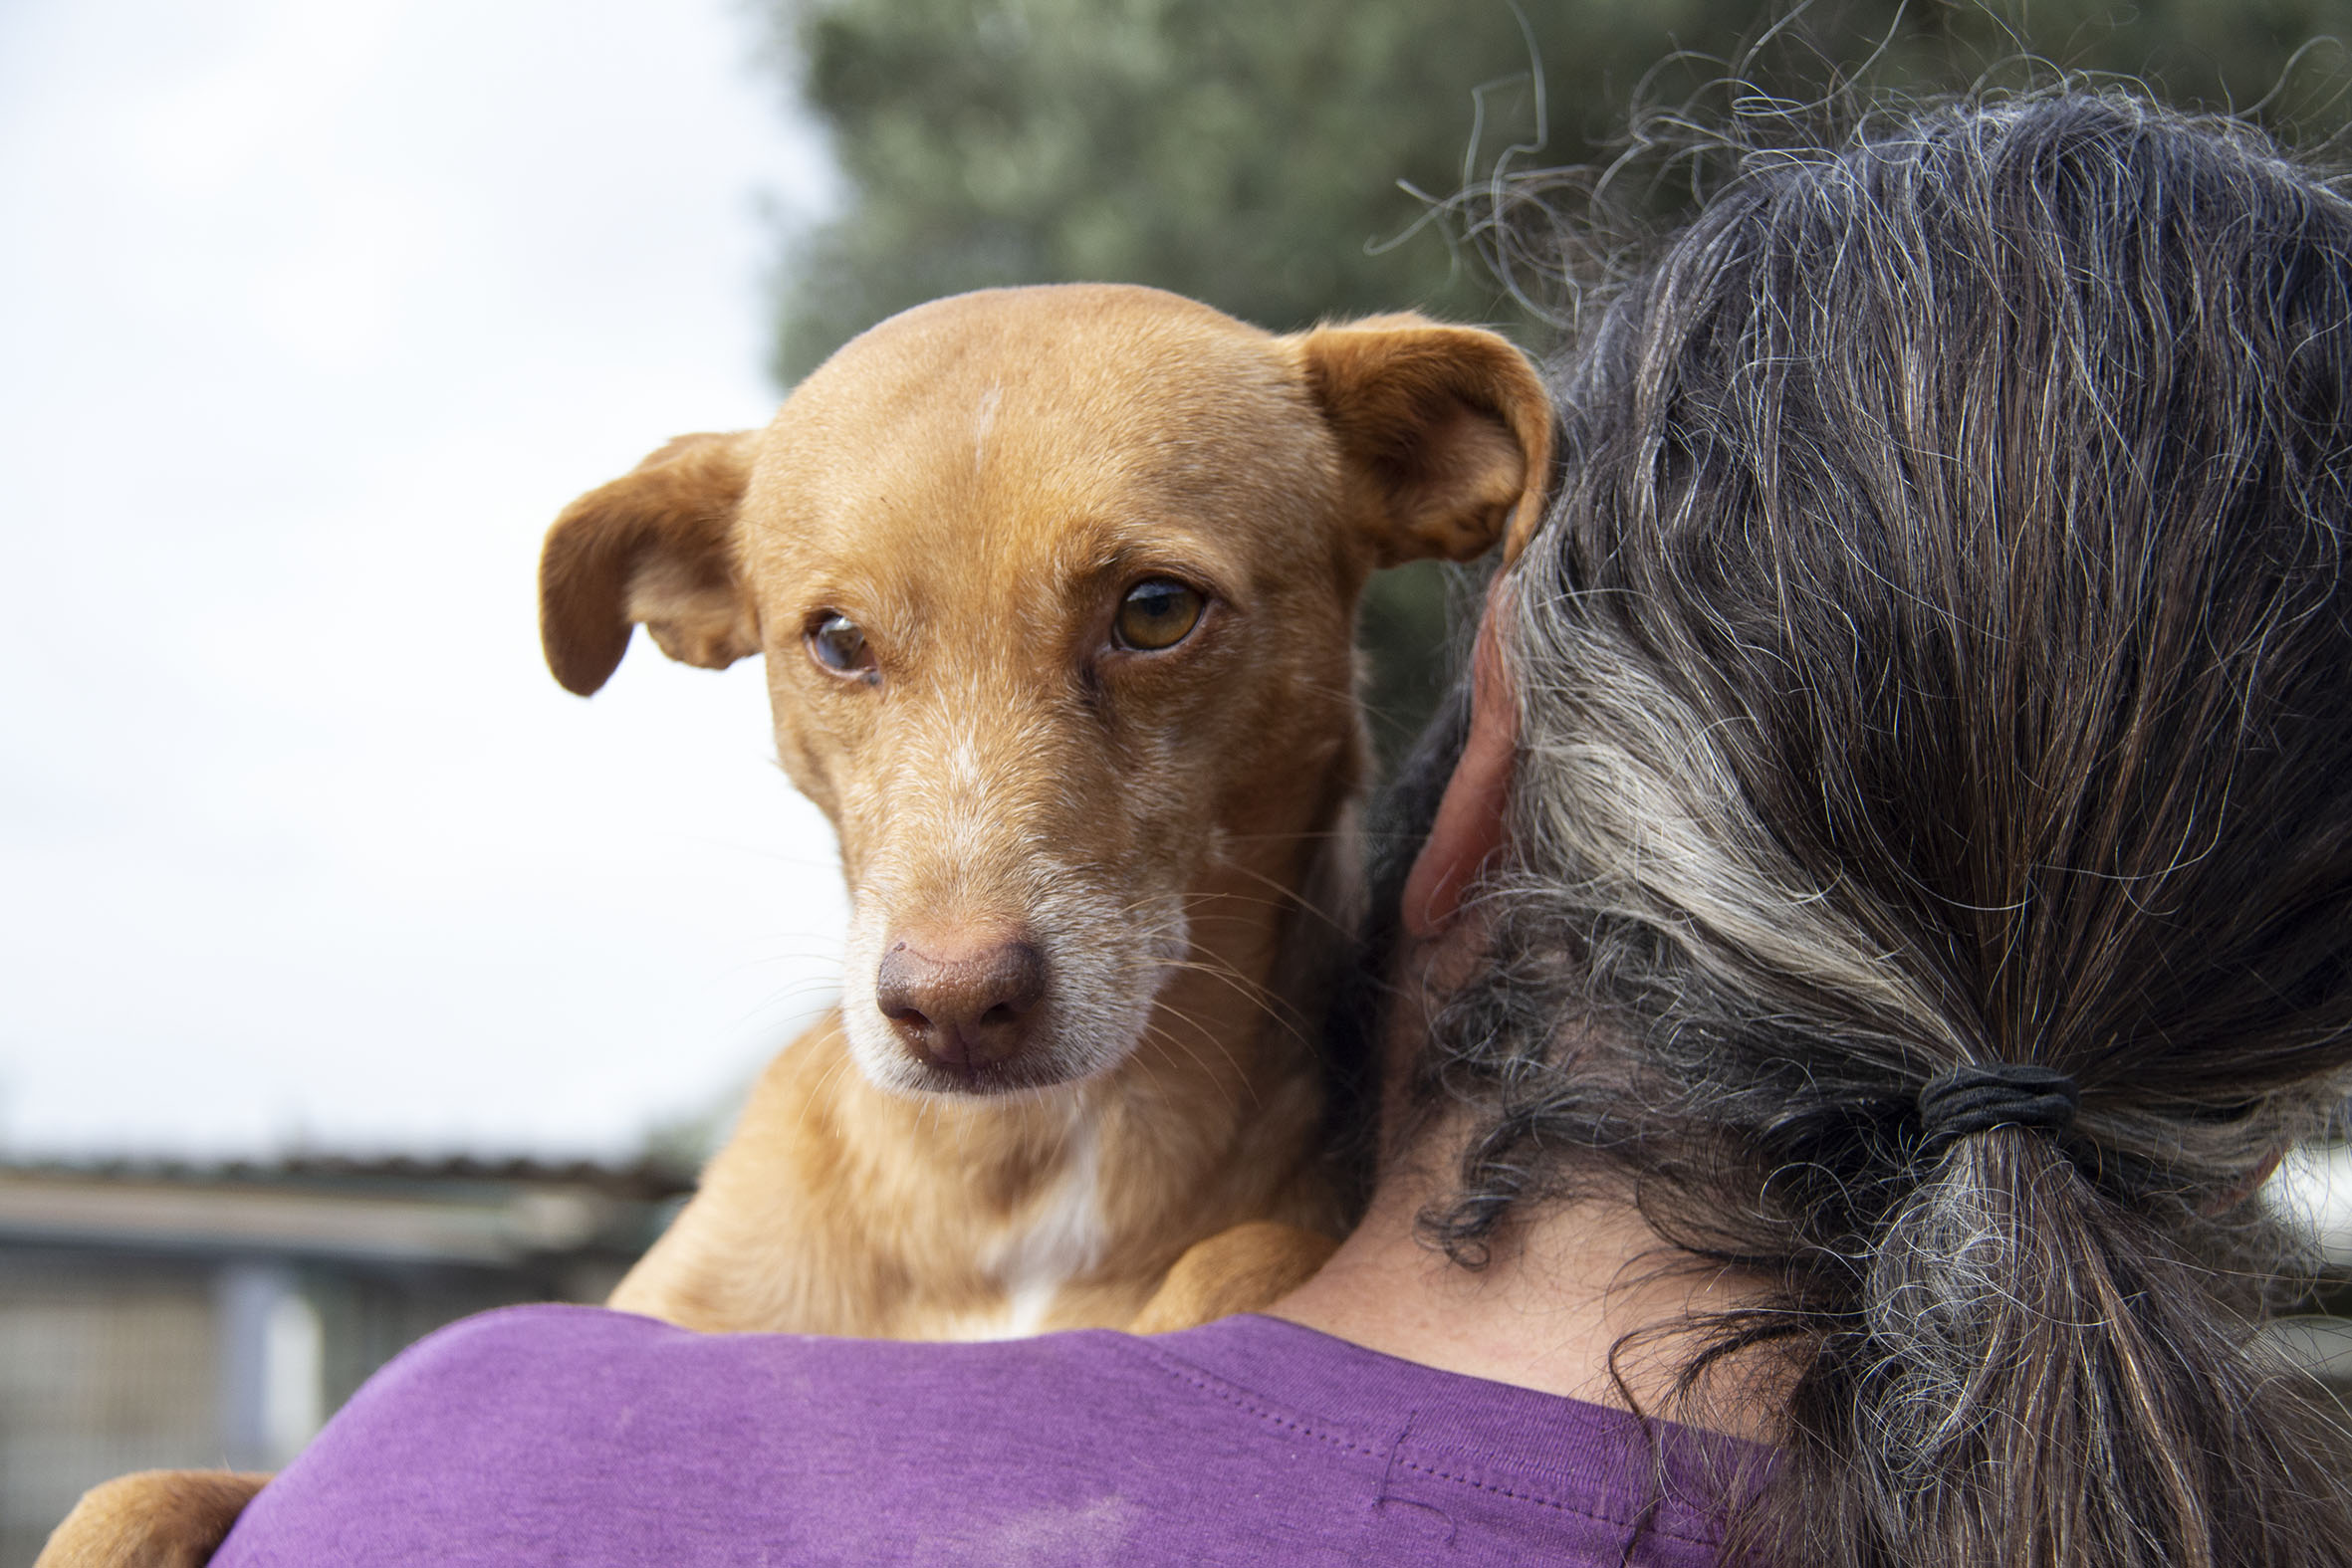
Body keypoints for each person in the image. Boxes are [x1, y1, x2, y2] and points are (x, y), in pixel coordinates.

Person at [200, 90, 2352, 1567]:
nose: (954, 941)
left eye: (1147, 617)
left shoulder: (478, 1446)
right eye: (839, 647)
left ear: (1503, 716)